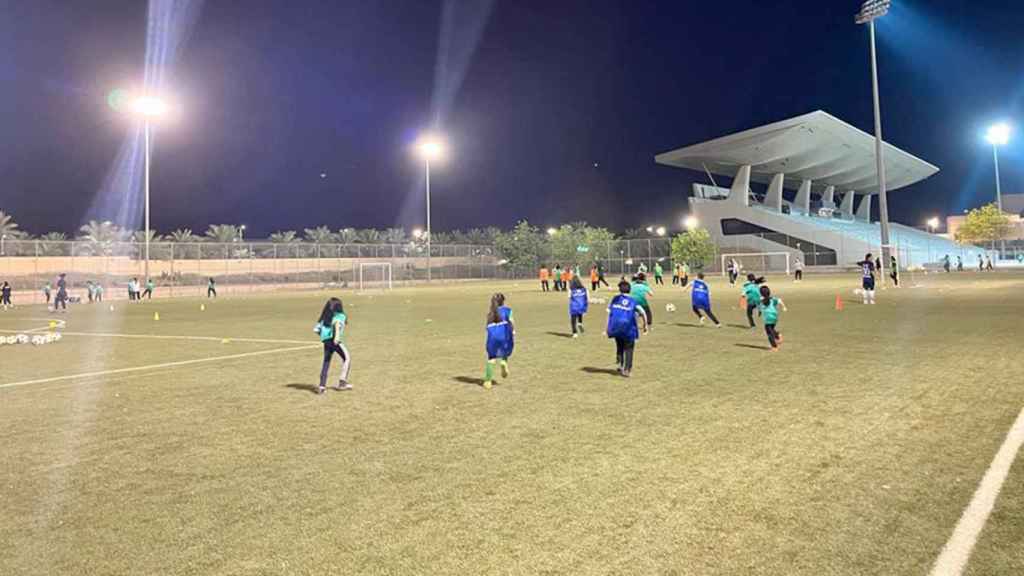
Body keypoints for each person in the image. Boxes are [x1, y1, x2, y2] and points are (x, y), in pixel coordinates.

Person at [606, 279, 647, 377]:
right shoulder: (633, 301)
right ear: (630, 290)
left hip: (616, 327)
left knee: (619, 345)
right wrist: (645, 325)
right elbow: (643, 312)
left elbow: (609, 312)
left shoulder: (615, 299)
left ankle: (620, 364)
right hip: (628, 328)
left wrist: (607, 327)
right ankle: (627, 370)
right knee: (629, 348)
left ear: (620, 290)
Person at [315, 297, 351, 394]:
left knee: (326, 362)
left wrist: (325, 336)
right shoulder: (340, 316)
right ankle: (342, 382)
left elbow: (316, 330)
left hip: (326, 341)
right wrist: (336, 338)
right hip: (335, 340)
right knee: (347, 358)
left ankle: (322, 386)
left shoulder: (324, 316)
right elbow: (337, 325)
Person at [483, 293, 514, 389]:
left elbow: (487, 327)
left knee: (491, 358)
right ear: (503, 301)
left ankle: (488, 381)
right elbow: (511, 322)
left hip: (493, 337)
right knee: (505, 350)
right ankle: (504, 361)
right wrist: (512, 331)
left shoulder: (490, 313)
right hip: (504, 335)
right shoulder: (508, 310)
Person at [758, 285, 787, 351]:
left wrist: (759, 313)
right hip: (774, 317)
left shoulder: (761, 300)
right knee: (771, 329)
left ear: (761, 293)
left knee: (769, 333)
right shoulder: (772, 299)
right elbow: (779, 300)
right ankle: (778, 335)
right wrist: (784, 307)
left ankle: (774, 346)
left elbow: (760, 308)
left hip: (768, 318)